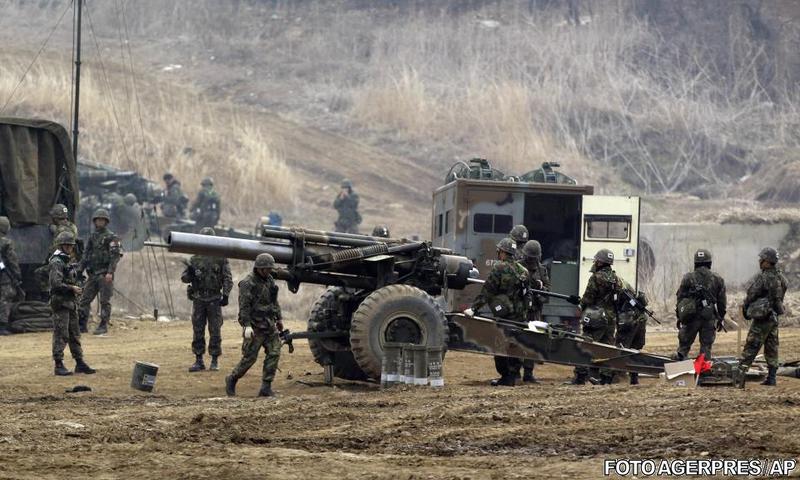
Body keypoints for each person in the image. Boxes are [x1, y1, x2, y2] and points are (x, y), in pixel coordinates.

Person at [463, 238, 531, 386]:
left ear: (502, 252)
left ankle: (506, 377)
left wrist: (473, 308)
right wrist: (525, 315)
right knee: (515, 345)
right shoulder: (524, 271)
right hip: (519, 317)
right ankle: (513, 376)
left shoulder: (499, 268)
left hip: (505, 316)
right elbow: (527, 295)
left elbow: (487, 292)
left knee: (500, 345)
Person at [225, 253, 285, 397]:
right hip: (255, 326)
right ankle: (232, 378)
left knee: (274, 353)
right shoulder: (247, 283)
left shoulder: (269, 280)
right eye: (266, 269)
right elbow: (244, 306)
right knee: (249, 358)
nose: (268, 271)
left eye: (270, 269)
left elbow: (273, 302)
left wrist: (279, 319)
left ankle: (266, 387)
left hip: (269, 325)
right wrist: (247, 326)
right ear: (258, 268)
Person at [181, 227, 233, 373]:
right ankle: (199, 360)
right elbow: (184, 278)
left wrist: (226, 295)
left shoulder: (221, 258)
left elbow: (228, 278)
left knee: (215, 330)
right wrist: (190, 273)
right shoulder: (194, 259)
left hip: (214, 298)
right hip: (198, 298)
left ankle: (215, 359)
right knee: (198, 330)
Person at [568, 248, 621, 385]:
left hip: (596, 317)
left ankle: (580, 376)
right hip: (610, 318)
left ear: (600, 262)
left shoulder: (595, 278)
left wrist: (580, 308)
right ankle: (606, 378)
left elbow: (588, 298)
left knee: (586, 345)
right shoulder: (616, 279)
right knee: (608, 347)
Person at [736, 247, 788, 388]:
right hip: (774, 317)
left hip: (763, 318)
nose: (760, 261)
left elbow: (752, 293)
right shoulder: (782, 278)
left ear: (767, 261)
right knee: (772, 346)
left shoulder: (764, 277)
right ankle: (771, 378)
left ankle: (739, 379)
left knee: (751, 346)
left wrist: (746, 308)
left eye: (762, 259)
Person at [49, 232, 95, 376]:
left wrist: (79, 284)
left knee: (74, 333)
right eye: (67, 245)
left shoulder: (67, 260)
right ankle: (58, 364)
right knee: (61, 334)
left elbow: (73, 278)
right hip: (61, 303)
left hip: (71, 302)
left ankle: (79, 362)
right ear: (61, 245)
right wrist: (71, 288)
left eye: (71, 245)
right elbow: (55, 283)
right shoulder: (57, 261)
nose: (69, 248)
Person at [673, 249, 726, 360]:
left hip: (690, 317)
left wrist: (680, 316)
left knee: (683, 348)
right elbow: (722, 303)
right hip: (708, 317)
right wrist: (720, 318)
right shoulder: (718, 279)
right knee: (706, 349)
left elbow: (680, 298)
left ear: (695, 263)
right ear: (709, 263)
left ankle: (679, 372)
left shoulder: (688, 277)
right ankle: (702, 373)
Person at [78, 209, 122, 335]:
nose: (100, 222)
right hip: (93, 274)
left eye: (102, 220)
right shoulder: (92, 236)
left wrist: (110, 272)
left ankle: (103, 325)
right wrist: (80, 269)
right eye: (98, 220)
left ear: (106, 222)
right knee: (84, 300)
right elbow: (86, 254)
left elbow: (115, 256)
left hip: (104, 274)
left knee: (104, 301)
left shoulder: (112, 237)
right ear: (95, 221)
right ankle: (82, 325)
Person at [519, 239, 550, 383]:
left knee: (533, 340)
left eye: (533, 258)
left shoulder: (542, 270)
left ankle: (528, 373)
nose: (531, 260)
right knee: (517, 340)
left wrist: (540, 289)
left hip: (535, 311)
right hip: (520, 310)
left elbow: (547, 292)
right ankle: (513, 371)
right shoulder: (518, 266)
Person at [615, 285, 648, 385]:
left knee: (621, 348)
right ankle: (634, 378)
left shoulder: (617, 290)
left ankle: (615, 377)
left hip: (629, 321)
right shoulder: (627, 288)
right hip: (640, 320)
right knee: (634, 350)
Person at [0, 216, 20, 336]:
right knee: (5, 299)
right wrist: (17, 276)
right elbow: (12, 261)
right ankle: (2, 326)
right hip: (3, 277)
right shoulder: (6, 242)